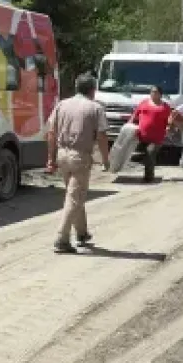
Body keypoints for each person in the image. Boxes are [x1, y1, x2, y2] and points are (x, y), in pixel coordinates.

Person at [46, 73, 110, 254]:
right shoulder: (95, 108)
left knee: (74, 194)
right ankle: (62, 238)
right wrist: (106, 159)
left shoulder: (62, 105)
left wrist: (51, 158)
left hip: (62, 155)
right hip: (80, 156)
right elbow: (102, 136)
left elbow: (51, 132)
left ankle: (82, 233)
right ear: (93, 89)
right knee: (74, 197)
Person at [130, 85, 172, 182]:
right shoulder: (144, 103)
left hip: (157, 138)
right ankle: (148, 172)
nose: (153, 94)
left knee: (150, 152)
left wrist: (169, 127)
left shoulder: (165, 107)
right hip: (141, 136)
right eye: (152, 92)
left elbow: (169, 121)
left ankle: (148, 177)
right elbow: (135, 115)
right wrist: (129, 125)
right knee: (143, 155)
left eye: (155, 92)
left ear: (160, 94)